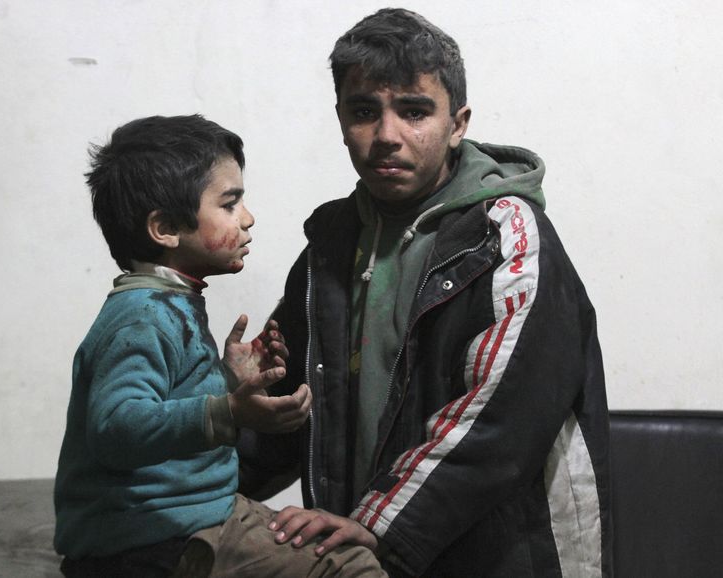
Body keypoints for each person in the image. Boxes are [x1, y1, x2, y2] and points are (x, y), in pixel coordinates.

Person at [237, 9, 611, 577]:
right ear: (339, 119)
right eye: (364, 112)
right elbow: (292, 407)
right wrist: (198, 463)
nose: (387, 136)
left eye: (414, 111)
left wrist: (381, 524)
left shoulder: (505, 232)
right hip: (367, 555)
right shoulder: (329, 247)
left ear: (457, 123)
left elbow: (501, 415)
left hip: (505, 557)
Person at [53, 114, 387, 577]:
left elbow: (164, 400)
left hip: (189, 515)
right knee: (349, 566)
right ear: (165, 228)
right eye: (230, 204)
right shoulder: (143, 316)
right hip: (150, 536)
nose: (248, 218)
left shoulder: (169, 300)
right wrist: (227, 411)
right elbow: (116, 427)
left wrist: (226, 378)